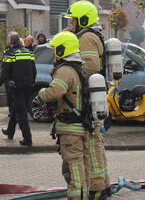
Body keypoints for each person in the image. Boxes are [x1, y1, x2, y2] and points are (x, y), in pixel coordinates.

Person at [64, 0, 111, 199]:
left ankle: (97, 188)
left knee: (92, 145)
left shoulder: (86, 38)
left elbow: (90, 66)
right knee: (95, 143)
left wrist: (71, 71)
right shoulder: (89, 35)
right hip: (93, 97)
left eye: (73, 20)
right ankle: (102, 185)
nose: (70, 24)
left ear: (83, 20)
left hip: (88, 100)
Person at [38, 31, 91, 200]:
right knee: (80, 166)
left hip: (70, 129)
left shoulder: (65, 71)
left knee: (74, 167)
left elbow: (54, 93)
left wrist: (41, 93)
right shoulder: (79, 69)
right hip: (80, 126)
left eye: (56, 50)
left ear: (62, 50)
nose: (54, 54)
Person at [0, 31, 36, 146]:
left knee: (20, 111)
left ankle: (27, 138)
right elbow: (34, 70)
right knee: (16, 108)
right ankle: (10, 131)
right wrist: (32, 82)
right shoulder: (29, 52)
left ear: (10, 42)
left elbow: (5, 71)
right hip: (28, 86)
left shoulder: (10, 53)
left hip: (16, 86)